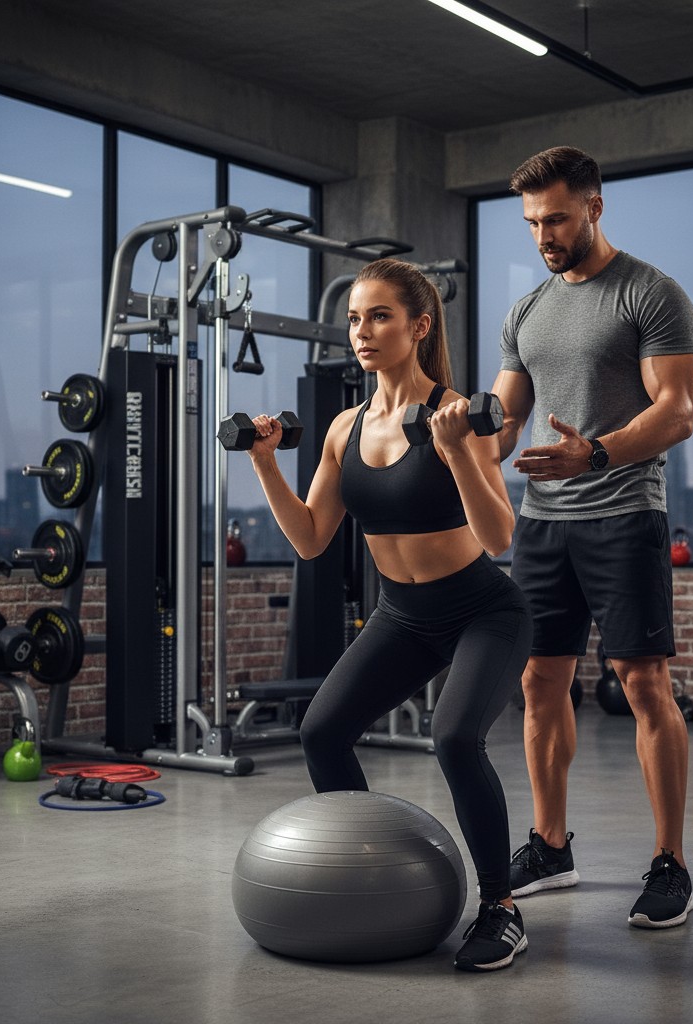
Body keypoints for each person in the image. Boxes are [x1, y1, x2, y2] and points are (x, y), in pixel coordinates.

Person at [243, 257, 534, 971]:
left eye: (379, 316)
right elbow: (311, 538)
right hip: (401, 615)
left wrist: (456, 449)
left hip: (482, 611)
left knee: (455, 737)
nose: (362, 332)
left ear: (419, 326)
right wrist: (264, 463)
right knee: (322, 732)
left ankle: (501, 908)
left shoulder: (456, 414)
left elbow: (500, 537)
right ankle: (365, 871)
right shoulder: (344, 428)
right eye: (354, 319)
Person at [491, 146, 693, 929]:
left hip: (624, 514)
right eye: (531, 222)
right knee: (538, 683)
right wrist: (458, 446)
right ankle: (551, 845)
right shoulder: (527, 312)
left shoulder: (651, 293)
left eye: (555, 218)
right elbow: (505, 418)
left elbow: (677, 411)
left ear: (594, 207)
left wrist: (598, 453)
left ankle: (671, 861)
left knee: (644, 685)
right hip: (542, 524)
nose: (543, 234)